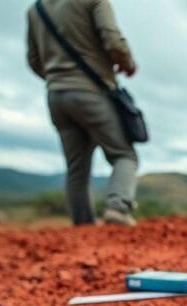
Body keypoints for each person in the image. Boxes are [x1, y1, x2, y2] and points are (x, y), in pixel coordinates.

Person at [26, 0, 140, 226]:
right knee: (124, 155)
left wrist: (58, 78)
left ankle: (83, 225)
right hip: (91, 92)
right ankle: (118, 207)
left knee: (76, 168)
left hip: (56, 97)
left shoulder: (35, 10)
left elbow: (33, 59)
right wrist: (127, 63)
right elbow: (112, 39)